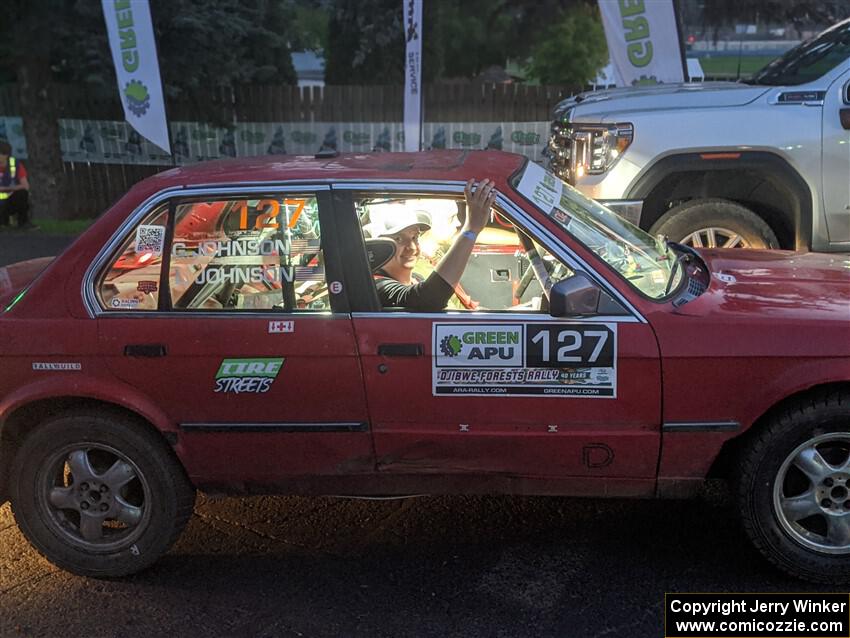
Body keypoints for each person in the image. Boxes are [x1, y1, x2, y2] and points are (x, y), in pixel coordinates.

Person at [372, 178, 495, 311]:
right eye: (398, 239)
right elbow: (427, 300)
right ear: (379, 245)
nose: (412, 247)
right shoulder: (376, 286)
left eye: (415, 237)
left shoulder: (418, 278)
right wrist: (470, 230)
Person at [0, 140, 33, 229]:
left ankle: (23, 223)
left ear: (5, 155)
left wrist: (6, 188)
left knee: (23, 193)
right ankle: (4, 221)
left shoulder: (15, 164)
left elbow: (25, 186)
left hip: (9, 201)